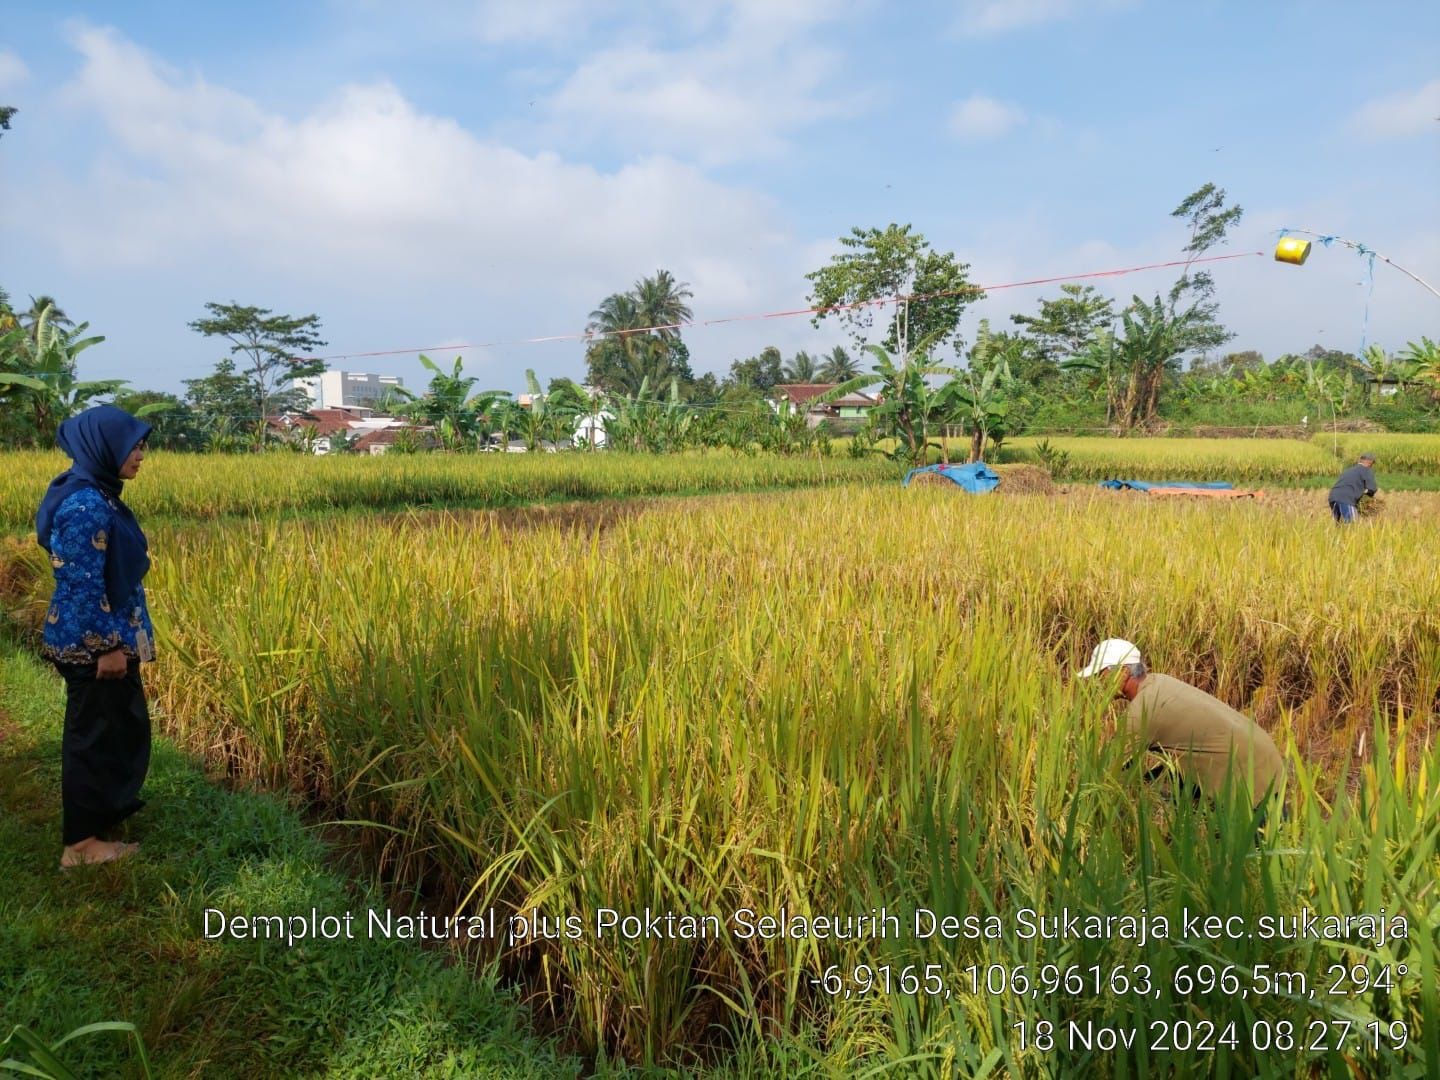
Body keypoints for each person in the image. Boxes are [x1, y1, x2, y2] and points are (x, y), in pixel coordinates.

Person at [35, 405, 155, 868]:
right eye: (134, 445)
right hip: (94, 645)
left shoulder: (95, 492)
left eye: (142, 445)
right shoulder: (86, 504)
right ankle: (81, 845)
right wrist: (106, 647)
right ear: (104, 446)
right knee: (93, 737)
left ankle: (102, 816)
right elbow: (80, 583)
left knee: (115, 730)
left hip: (101, 639)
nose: (141, 455)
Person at [1077, 639, 1284, 812]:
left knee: (1247, 854)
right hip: (1262, 755)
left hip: (1250, 778)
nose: (1096, 682)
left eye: (1099, 674)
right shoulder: (1159, 682)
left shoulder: (1143, 710)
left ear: (1121, 672)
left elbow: (1108, 770)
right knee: (1160, 788)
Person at [1327, 453, 1378, 524]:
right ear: (1370, 462)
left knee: (1339, 526)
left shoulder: (1348, 470)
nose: (1372, 466)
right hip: (1346, 499)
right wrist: (1367, 498)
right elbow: (1372, 488)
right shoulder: (1366, 470)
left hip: (1333, 497)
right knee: (1351, 527)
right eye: (1373, 463)